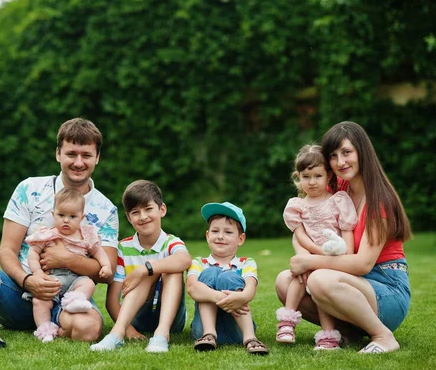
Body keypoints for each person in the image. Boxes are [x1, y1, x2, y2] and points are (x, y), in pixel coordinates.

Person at [0, 118, 119, 354]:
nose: (78, 162)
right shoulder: (29, 189)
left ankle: (52, 329)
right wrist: (28, 281)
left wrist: (66, 259)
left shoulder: (107, 209)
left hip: (71, 297)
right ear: (58, 154)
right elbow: (7, 250)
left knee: (89, 328)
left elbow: (107, 272)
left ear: (97, 158)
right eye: (71, 153)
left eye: (86, 155)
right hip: (20, 293)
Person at [275, 121, 412, 354]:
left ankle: (383, 335)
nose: (340, 162)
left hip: (387, 288)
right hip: (349, 280)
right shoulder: (338, 188)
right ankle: (346, 333)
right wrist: (302, 255)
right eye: (333, 155)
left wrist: (310, 263)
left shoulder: (380, 200)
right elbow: (306, 225)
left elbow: (362, 264)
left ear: (362, 152)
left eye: (347, 152)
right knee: (285, 282)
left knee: (319, 280)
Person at [90, 180, 192, 353]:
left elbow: (184, 259)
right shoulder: (122, 249)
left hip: (172, 318)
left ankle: (161, 334)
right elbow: (112, 300)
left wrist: (143, 269)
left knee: (167, 267)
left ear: (162, 210)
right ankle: (117, 334)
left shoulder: (171, 242)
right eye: (135, 212)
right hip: (135, 315)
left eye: (148, 209)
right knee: (152, 269)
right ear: (129, 218)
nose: (143, 216)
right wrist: (130, 329)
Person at [278, 144, 358, 350]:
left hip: (334, 259)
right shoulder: (297, 205)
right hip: (314, 254)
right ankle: (286, 323)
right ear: (298, 177)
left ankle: (328, 336)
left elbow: (347, 237)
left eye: (317, 176)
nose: (311, 182)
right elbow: (301, 236)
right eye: (306, 177)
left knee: (319, 292)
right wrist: (314, 254)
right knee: (298, 277)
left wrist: (324, 257)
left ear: (329, 176)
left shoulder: (338, 201)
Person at [25, 187, 113, 343]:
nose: (66, 220)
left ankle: (76, 302)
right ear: (53, 214)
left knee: (88, 283)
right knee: (39, 302)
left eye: (72, 216)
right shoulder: (48, 234)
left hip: (75, 279)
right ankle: (45, 330)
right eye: (61, 215)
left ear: (81, 217)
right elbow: (32, 253)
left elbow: (98, 252)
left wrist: (106, 266)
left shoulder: (86, 234)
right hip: (53, 278)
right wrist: (37, 272)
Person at [187, 202, 269, 355]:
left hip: (236, 329)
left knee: (229, 277)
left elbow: (250, 291)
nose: (220, 236)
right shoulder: (199, 262)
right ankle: (209, 334)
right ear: (207, 235)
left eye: (228, 232)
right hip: (203, 329)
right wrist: (222, 297)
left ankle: (250, 338)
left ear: (241, 238)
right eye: (215, 231)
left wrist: (242, 297)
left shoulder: (246, 263)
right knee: (210, 273)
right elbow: (192, 288)